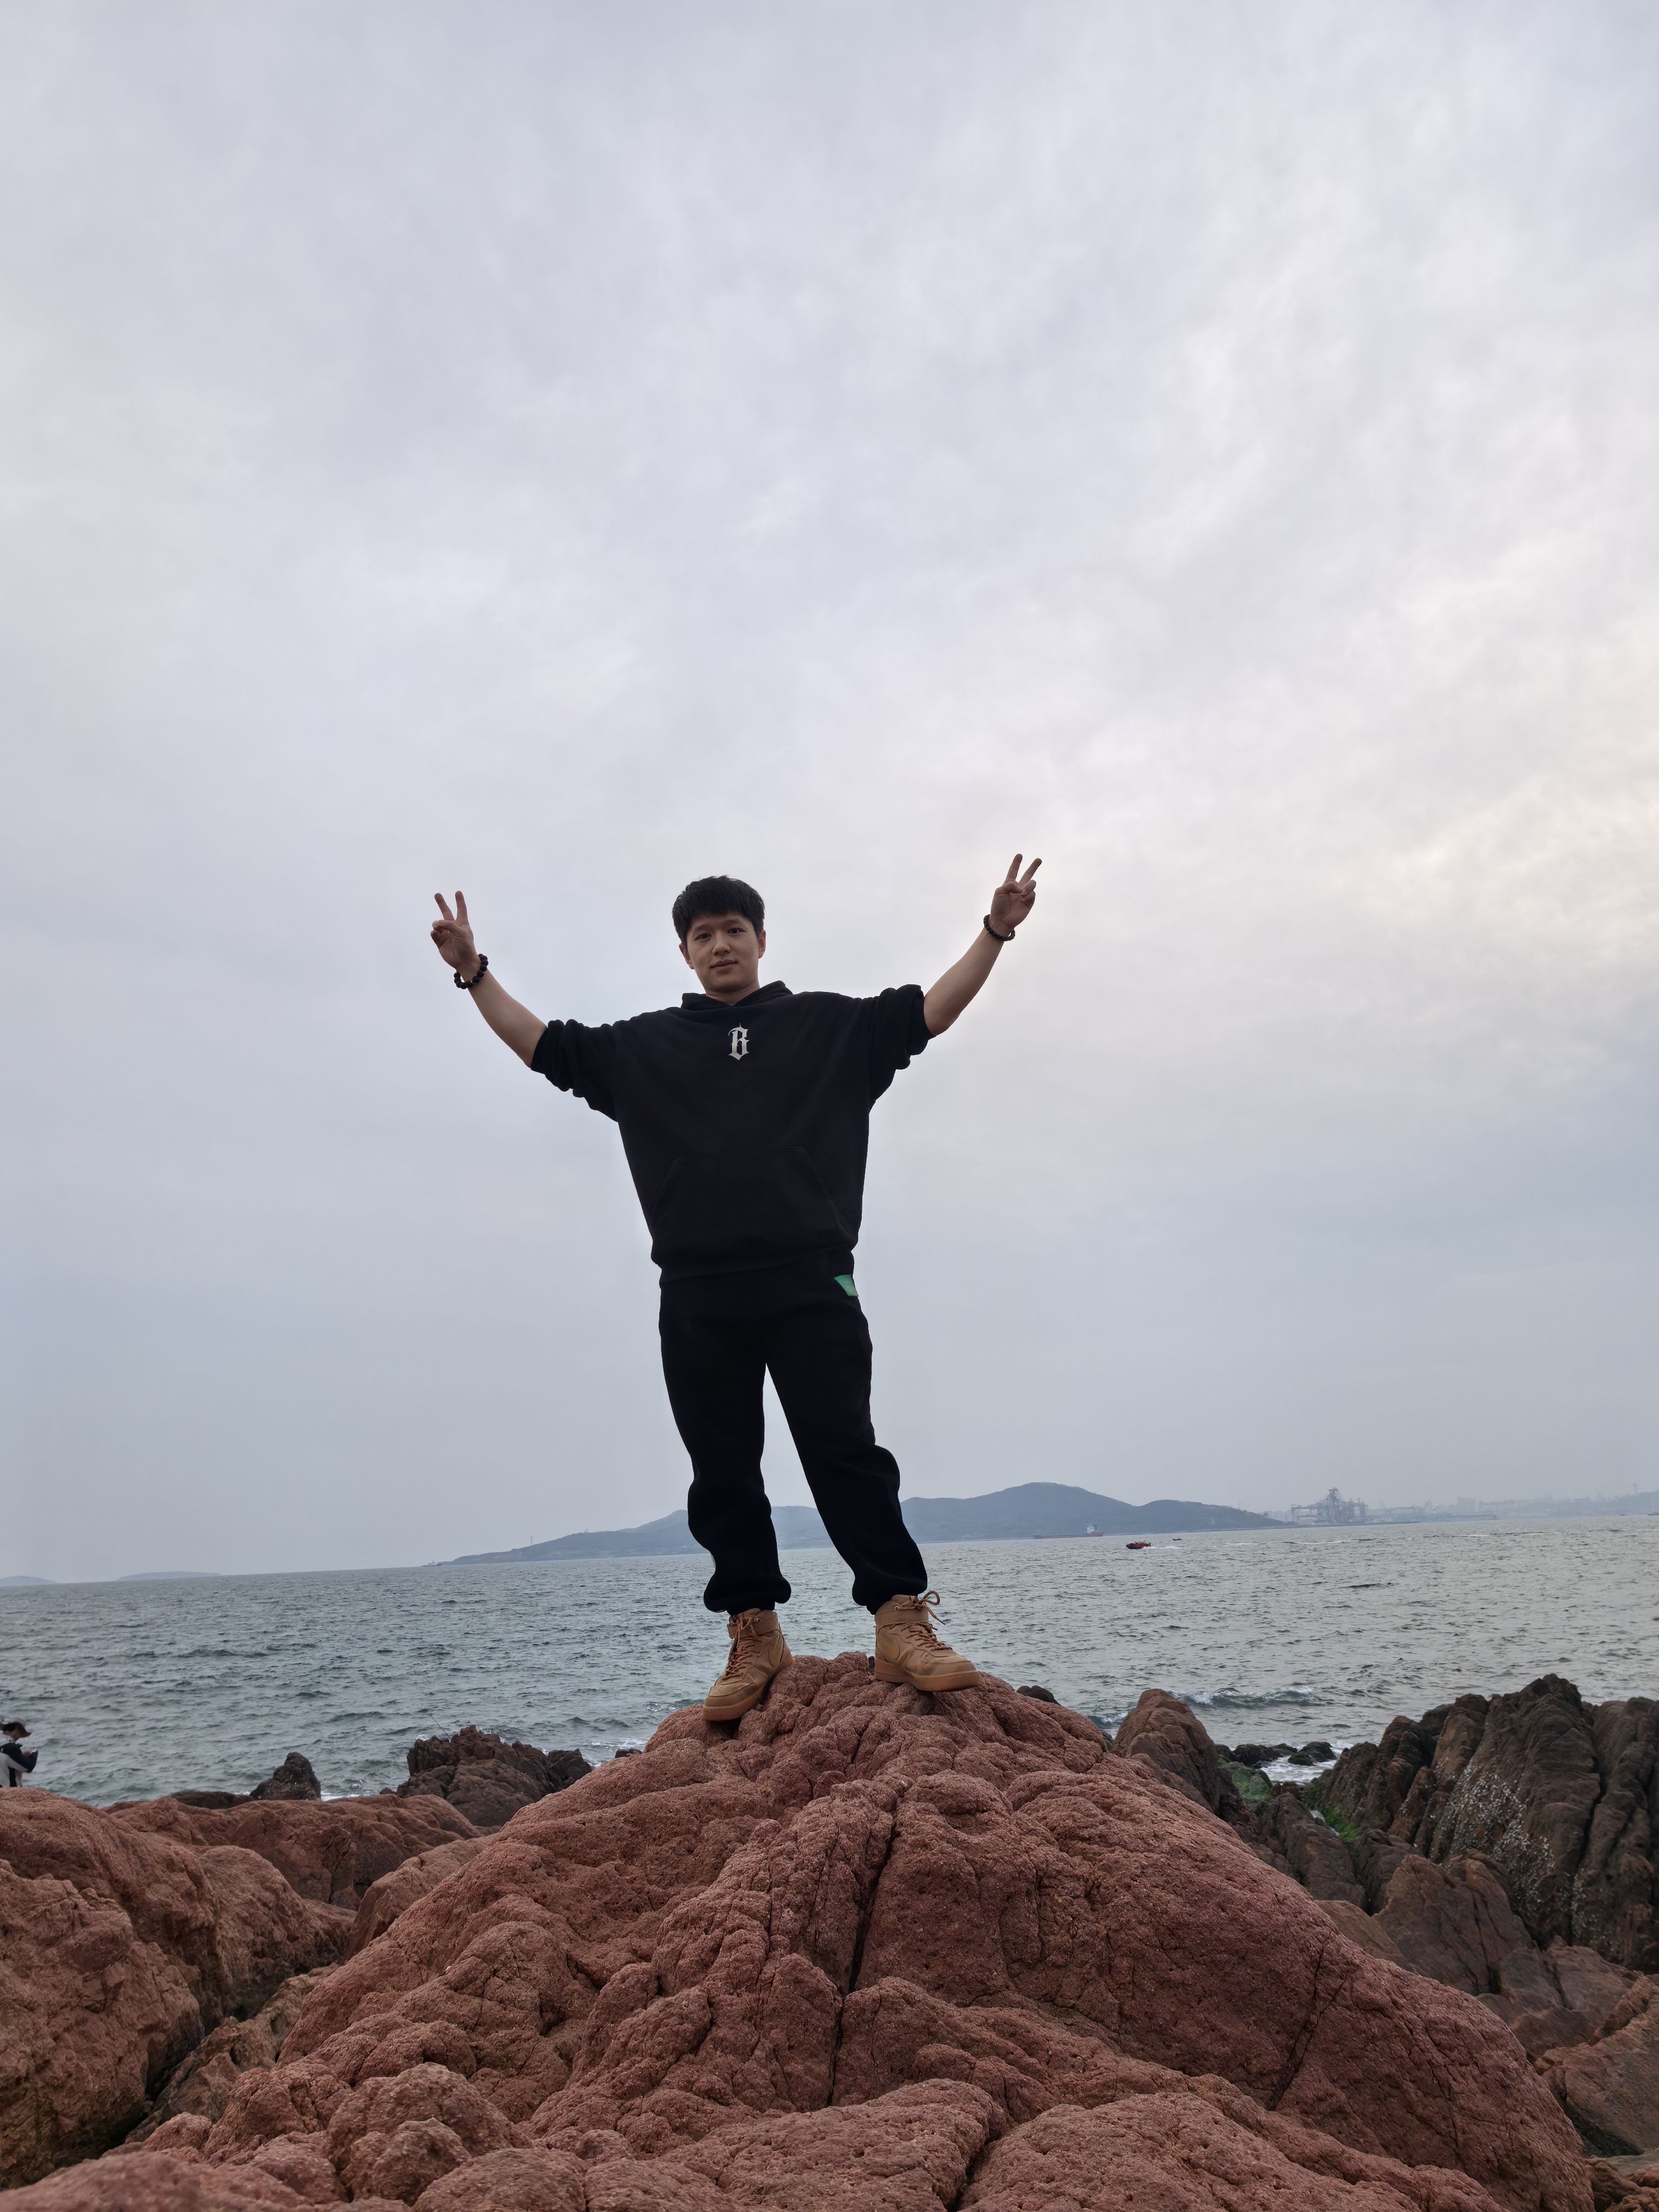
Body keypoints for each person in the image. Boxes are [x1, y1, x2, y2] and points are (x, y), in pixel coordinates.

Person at [430, 859, 1041, 1720]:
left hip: (812, 1277)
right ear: (684, 953)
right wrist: (474, 972)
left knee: (846, 1453)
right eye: (703, 935)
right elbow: (544, 1047)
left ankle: (899, 1620)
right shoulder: (643, 1048)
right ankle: (755, 1633)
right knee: (722, 1469)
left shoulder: (828, 1027)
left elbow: (929, 1013)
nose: (720, 945)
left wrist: (995, 931)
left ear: (761, 940)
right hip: (697, 1289)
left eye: (734, 930)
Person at [2, 1721, 37, 1786]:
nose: (19, 1737)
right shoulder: (10, 1748)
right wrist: (34, 1753)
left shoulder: (4, 1747)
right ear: (18, 1729)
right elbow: (28, 1767)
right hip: (7, 1788)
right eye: (21, 1733)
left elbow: (7, 1759)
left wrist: (21, 1756)